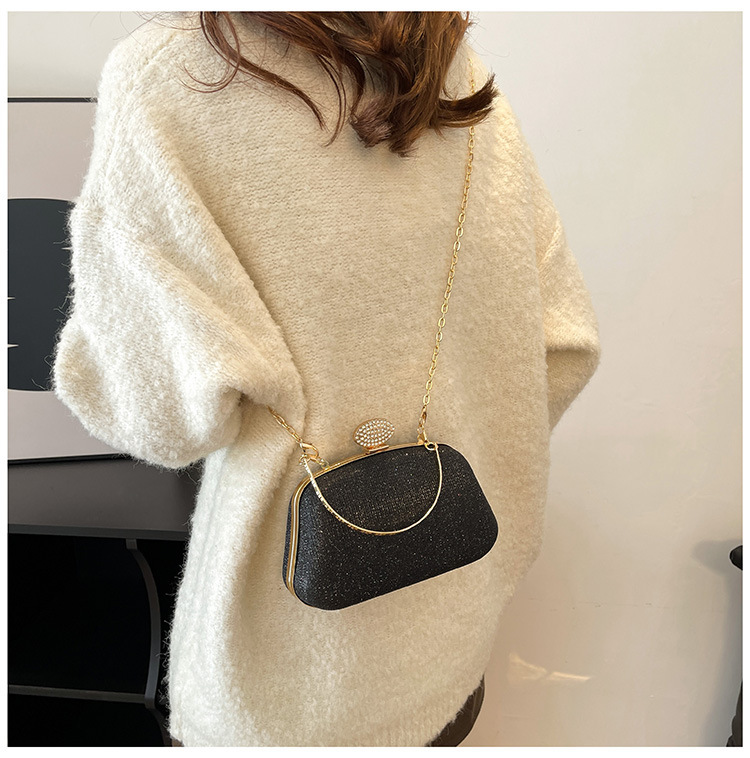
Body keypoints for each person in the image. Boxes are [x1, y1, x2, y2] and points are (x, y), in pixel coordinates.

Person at [51, 11, 601, 747]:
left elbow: (158, 419)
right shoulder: (445, 65)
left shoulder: (169, 77)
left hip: (286, 685)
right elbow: (563, 344)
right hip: (450, 640)